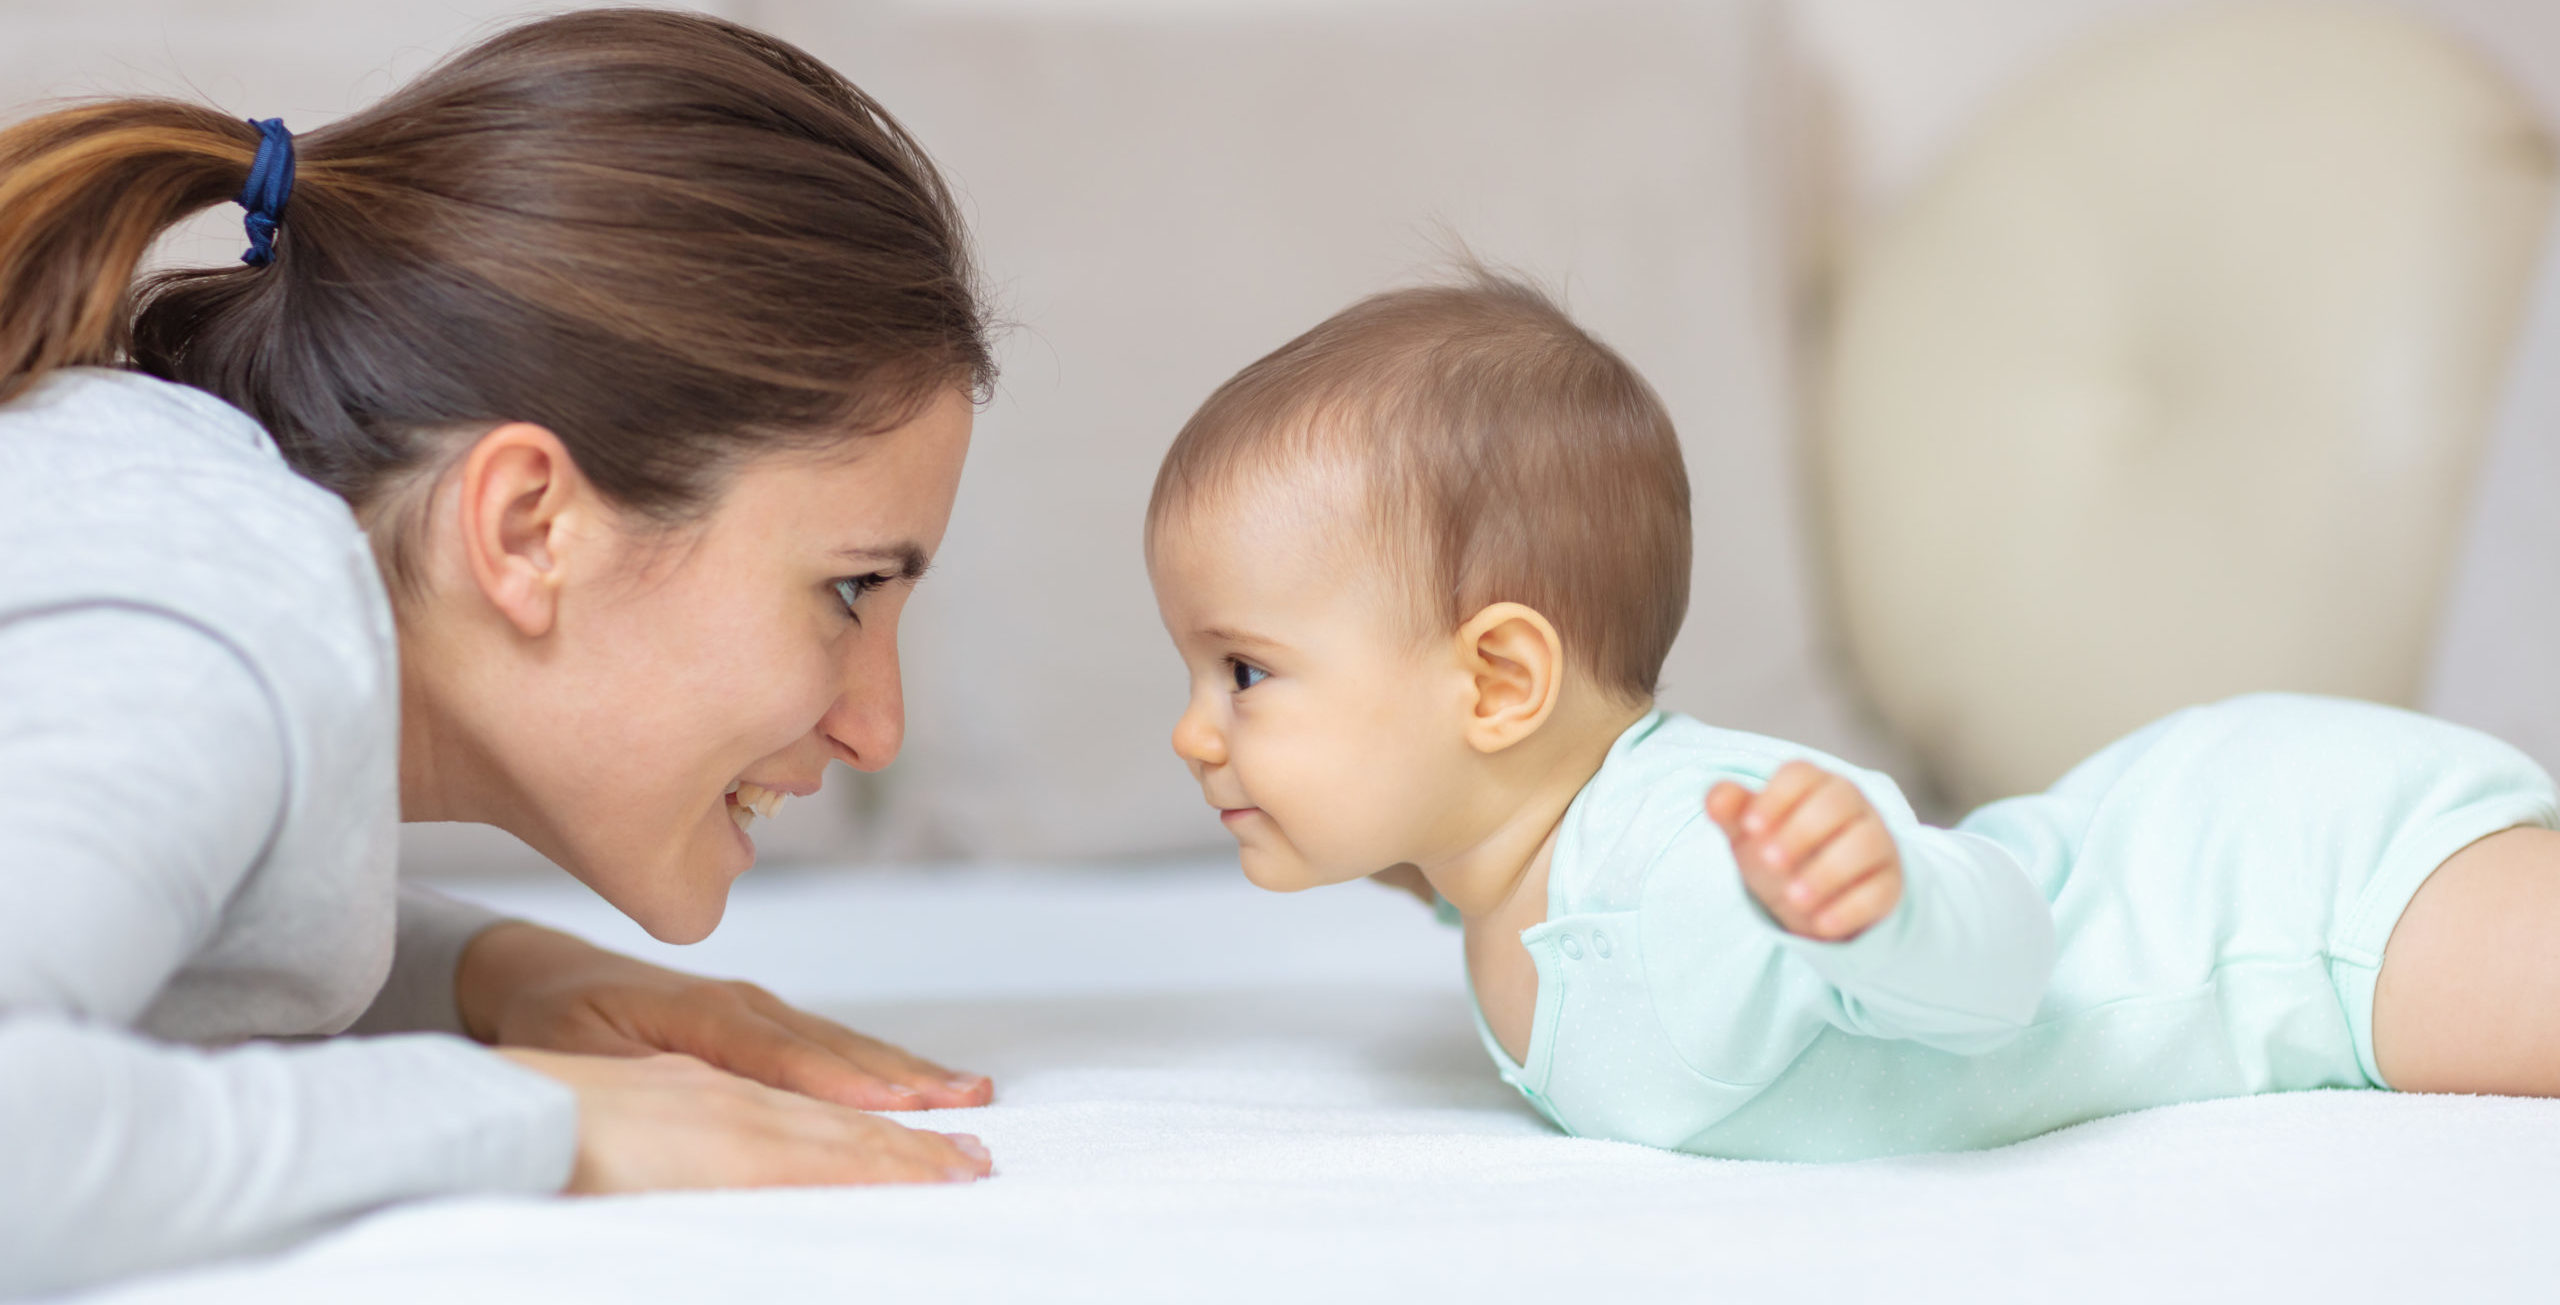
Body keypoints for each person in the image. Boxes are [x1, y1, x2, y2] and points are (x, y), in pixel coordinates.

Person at [0, 10, 1001, 1294]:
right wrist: (537, 1118)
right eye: (850, 589)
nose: (879, 728)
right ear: (529, 528)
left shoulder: (178, 560)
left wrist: (479, 977)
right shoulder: (203, 639)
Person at [1142, 270, 2560, 1162]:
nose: (1194, 733)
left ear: (1501, 683)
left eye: (1245, 673)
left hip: (2294, 905)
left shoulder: (1694, 860)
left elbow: (2004, 960)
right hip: (2222, 847)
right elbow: (1424, 823)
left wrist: (1882, 908)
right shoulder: (1494, 865)